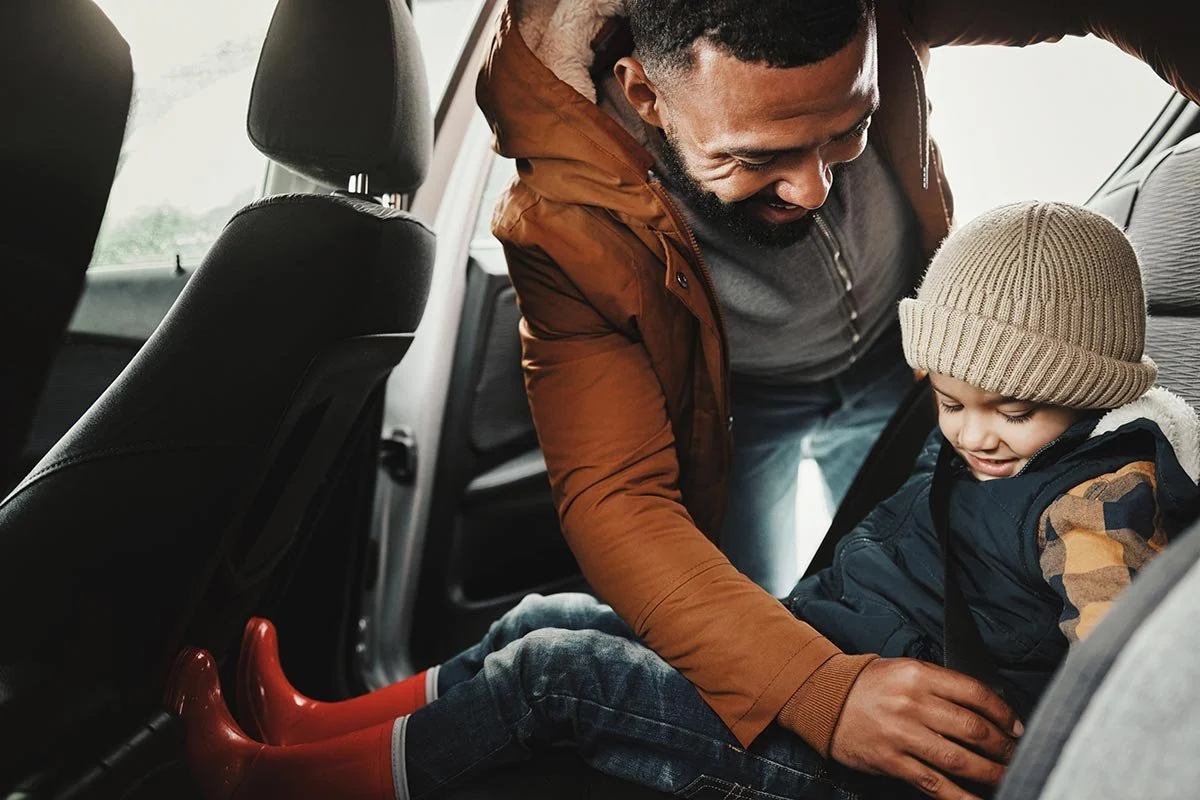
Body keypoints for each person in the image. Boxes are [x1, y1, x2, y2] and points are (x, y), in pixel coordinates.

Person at [166, 202, 1200, 800]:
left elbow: (1126, 695)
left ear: (1092, 388)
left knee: (552, 671)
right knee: (545, 613)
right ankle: (311, 723)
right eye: (953, 400)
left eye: (1011, 411)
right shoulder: (1005, 445)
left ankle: (267, 786)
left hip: (859, 769)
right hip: (827, 660)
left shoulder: (1100, 507)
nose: (974, 432)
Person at [469, 1, 1200, 792]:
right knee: (741, 641)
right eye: (756, 156)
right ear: (645, 94)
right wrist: (822, 689)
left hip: (917, 372)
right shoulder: (564, 215)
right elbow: (616, 499)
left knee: (918, 567)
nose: (815, 187)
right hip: (743, 406)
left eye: (846, 131)